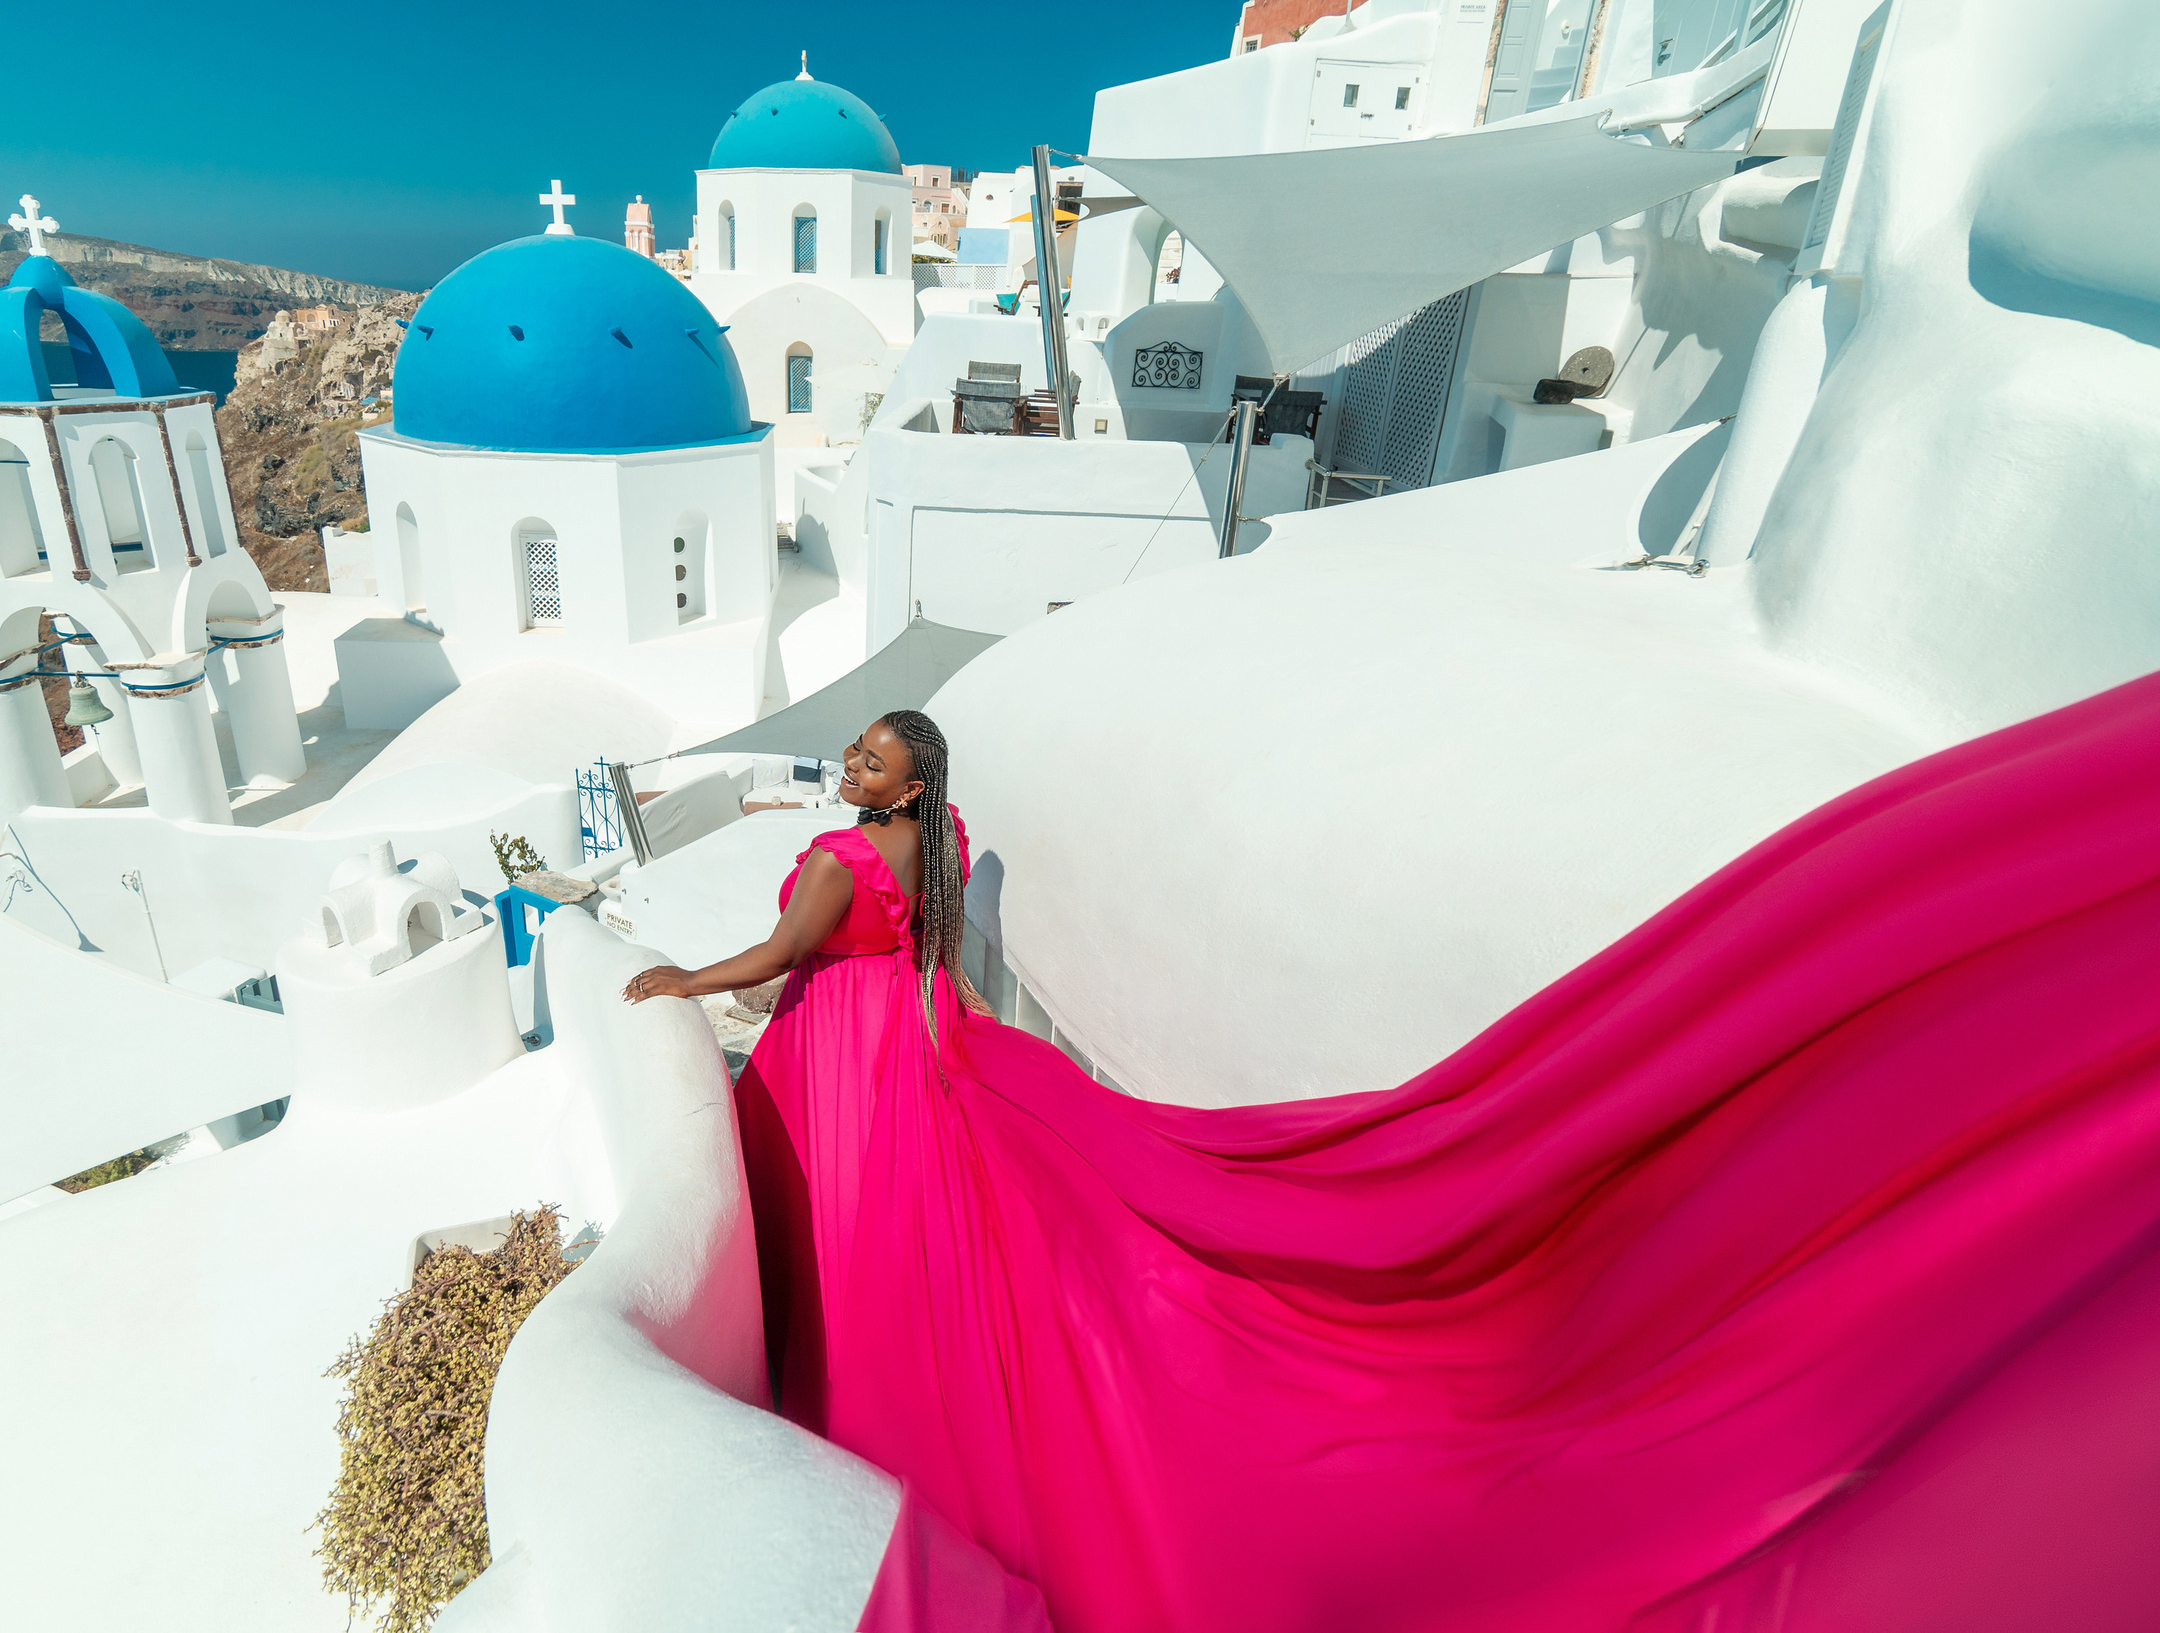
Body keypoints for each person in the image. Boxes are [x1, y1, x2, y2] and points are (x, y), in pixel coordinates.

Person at [624, 695, 2160, 1633]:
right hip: (920, 1056)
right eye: (860, 747)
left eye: (873, 753)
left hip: (848, 1062)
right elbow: (922, 955)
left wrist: (678, 982)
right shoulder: (942, 856)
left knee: (854, 1246)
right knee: (916, 1253)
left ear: (902, 787)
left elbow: (779, 956)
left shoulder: (842, 858)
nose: (853, 761)